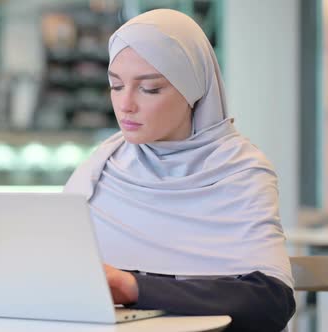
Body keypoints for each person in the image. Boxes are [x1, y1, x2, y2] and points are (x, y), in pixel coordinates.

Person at [63, 9, 295, 332]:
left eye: (149, 89)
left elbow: (269, 303)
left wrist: (134, 287)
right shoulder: (100, 170)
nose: (125, 104)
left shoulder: (240, 170)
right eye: (116, 86)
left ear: (193, 89)